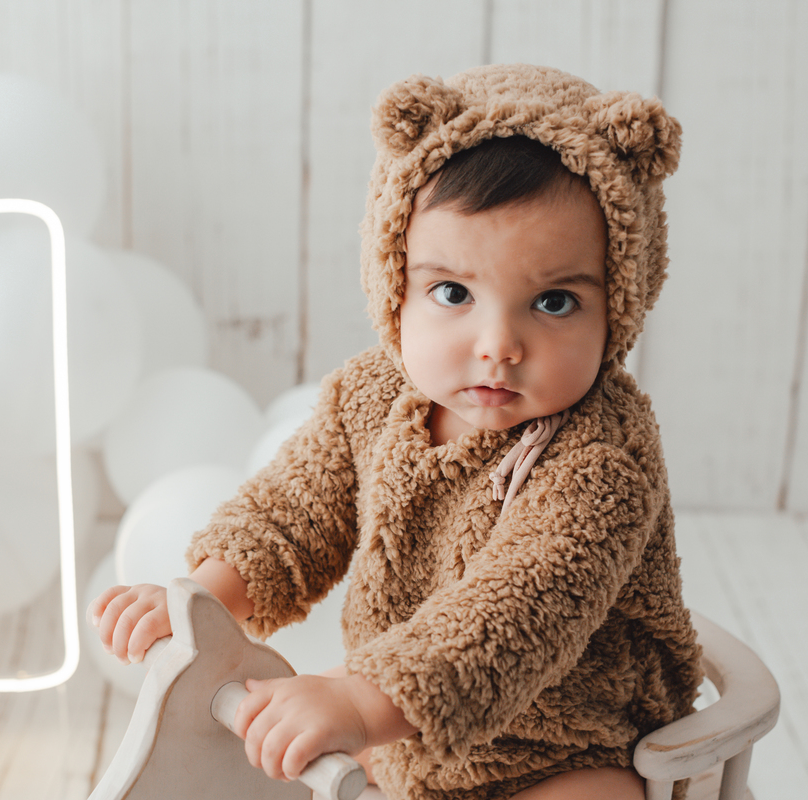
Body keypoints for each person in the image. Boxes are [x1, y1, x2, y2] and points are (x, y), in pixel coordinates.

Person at [89, 64, 703, 800]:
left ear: (621, 306)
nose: (498, 345)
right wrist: (204, 600)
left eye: (553, 302)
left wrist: (358, 701)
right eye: (454, 292)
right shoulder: (376, 394)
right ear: (395, 285)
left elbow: (510, 617)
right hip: (406, 727)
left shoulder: (601, 464)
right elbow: (293, 510)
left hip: (568, 744)